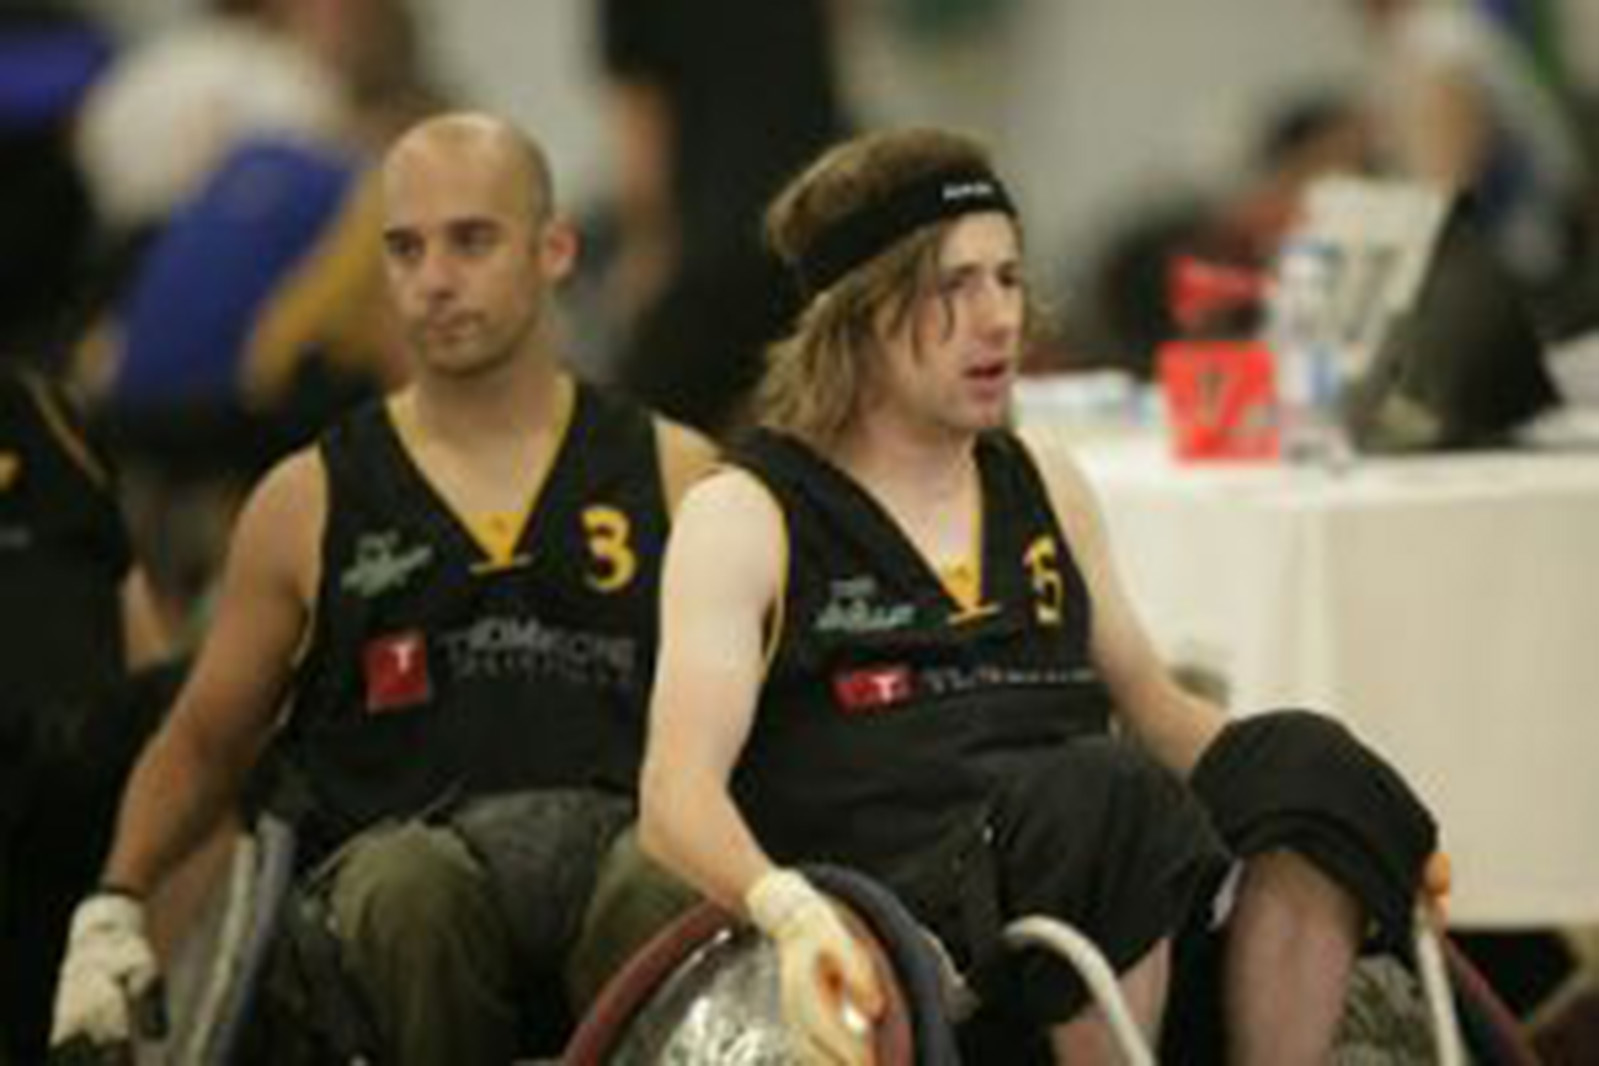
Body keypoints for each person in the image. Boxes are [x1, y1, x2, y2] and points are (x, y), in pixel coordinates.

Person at [640, 126, 1437, 1063]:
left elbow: (1157, 711)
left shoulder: (1044, 481)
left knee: (1311, 762)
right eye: (952, 285)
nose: (999, 320)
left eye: (1008, 279)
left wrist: (1349, 807)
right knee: (1105, 794)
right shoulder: (746, 512)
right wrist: (785, 905)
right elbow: (673, 797)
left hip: (1098, 881)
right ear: (854, 315)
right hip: (909, 936)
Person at [49, 110, 716, 1065]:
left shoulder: (676, 472)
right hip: (392, 887)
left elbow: (766, 720)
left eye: (471, 241)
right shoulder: (307, 499)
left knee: (663, 875)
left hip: (616, 855)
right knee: (412, 891)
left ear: (554, 251)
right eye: (405, 250)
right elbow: (204, 740)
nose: (434, 279)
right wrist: (113, 904)